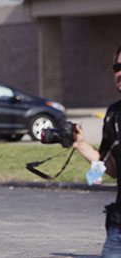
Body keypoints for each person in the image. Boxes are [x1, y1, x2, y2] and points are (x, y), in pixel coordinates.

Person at [72, 45, 121, 257]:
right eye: (117, 66)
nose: (120, 72)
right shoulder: (113, 114)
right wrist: (80, 144)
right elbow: (112, 168)